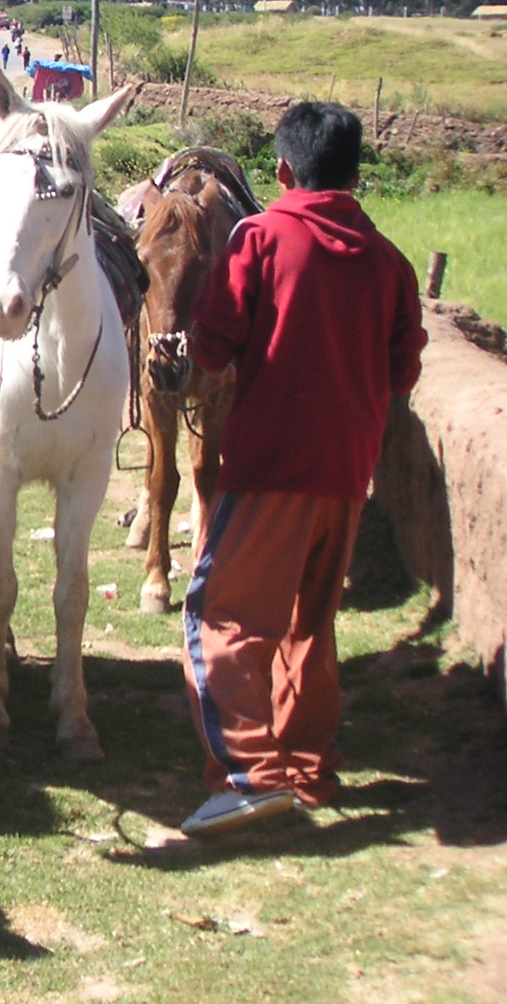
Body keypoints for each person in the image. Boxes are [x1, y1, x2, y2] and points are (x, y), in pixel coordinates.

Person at [179, 102, 426, 837]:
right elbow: (404, 371)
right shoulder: (390, 262)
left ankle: (249, 773)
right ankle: (307, 769)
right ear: (355, 174)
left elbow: (213, 345)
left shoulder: (261, 236)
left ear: (284, 171)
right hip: (348, 473)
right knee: (310, 625)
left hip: (269, 466)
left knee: (217, 614)